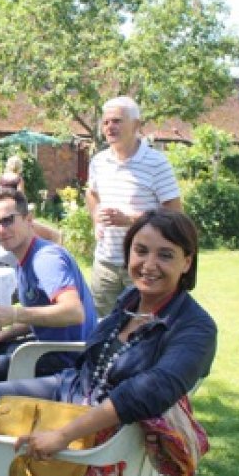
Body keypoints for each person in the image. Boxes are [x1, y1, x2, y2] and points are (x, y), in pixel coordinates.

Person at [0, 209, 217, 476]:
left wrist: (63, 434)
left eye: (165, 255)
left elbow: (150, 391)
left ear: (187, 262)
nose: (149, 265)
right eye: (141, 251)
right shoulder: (132, 299)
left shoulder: (195, 328)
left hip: (102, 432)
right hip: (69, 388)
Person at [0, 188, 96, 388]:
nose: (1, 230)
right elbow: (42, 314)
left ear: (29, 219)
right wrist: (6, 334)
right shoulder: (24, 258)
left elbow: (74, 312)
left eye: (8, 220)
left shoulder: (45, 259)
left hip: (69, 359)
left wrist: (14, 313)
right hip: (47, 348)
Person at [87, 96, 182, 317]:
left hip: (143, 266)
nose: (110, 127)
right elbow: (91, 193)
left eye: (117, 121)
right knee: (102, 326)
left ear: (136, 125)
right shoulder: (99, 162)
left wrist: (130, 220)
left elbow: (175, 215)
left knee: (142, 326)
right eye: (106, 122)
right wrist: (95, 220)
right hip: (105, 262)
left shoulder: (156, 163)